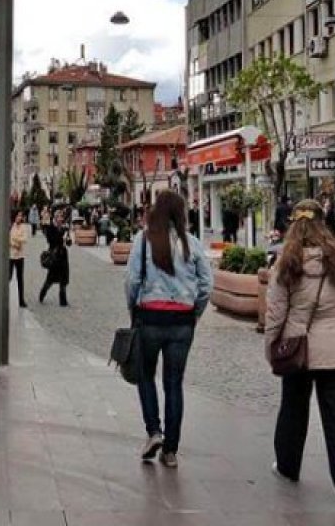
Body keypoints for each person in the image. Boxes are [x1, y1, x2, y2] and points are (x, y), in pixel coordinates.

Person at [266, 199, 335, 510]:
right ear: (323, 223)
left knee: (293, 407)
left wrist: (271, 347)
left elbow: (275, 312)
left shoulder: (285, 261)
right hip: (334, 347)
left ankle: (288, 465)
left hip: (296, 344)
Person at [125, 190, 213, 468]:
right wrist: (194, 312)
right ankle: (171, 450)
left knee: (145, 376)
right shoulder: (193, 244)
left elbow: (132, 281)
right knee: (174, 383)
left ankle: (154, 431)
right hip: (182, 322)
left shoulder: (143, 240)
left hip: (150, 317)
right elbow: (207, 284)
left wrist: (133, 309)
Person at [39, 209, 71, 306]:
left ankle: (63, 300)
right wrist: (61, 234)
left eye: (62, 217)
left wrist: (68, 239)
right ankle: (42, 293)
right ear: (56, 218)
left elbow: (68, 243)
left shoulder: (64, 228)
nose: (61, 219)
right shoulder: (50, 228)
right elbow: (51, 241)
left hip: (63, 255)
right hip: (54, 255)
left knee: (64, 279)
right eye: (60, 217)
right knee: (50, 278)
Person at [9, 210, 29, 308]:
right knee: (8, 277)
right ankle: (5, 298)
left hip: (20, 256)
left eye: (21, 216)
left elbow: (24, 239)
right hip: (11, 256)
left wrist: (15, 239)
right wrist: (15, 243)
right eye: (18, 216)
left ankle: (21, 300)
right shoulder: (10, 226)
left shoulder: (23, 227)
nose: (19, 218)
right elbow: (8, 239)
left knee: (20, 278)